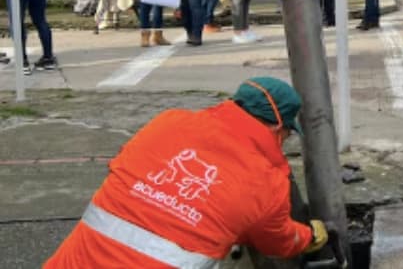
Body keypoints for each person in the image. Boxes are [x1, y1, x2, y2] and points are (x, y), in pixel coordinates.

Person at [45, 77, 330, 267]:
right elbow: (277, 240)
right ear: (277, 127)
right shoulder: (266, 183)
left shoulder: (168, 123)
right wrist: (307, 237)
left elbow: (121, 166)